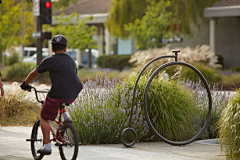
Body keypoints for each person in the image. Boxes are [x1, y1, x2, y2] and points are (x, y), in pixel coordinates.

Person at [20, 35, 83, 155]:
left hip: (58, 92)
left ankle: (47, 146)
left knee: (44, 117)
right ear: (65, 49)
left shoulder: (50, 60)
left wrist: (25, 83)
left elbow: (34, 73)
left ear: (52, 49)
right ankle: (65, 116)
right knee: (61, 100)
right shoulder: (71, 60)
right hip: (74, 91)